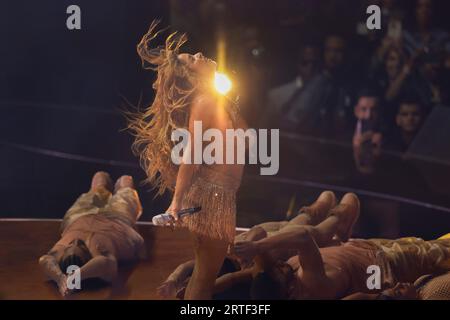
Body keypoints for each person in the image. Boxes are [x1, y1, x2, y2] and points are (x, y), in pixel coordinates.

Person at [128, 21, 246, 300]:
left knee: (204, 276)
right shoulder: (205, 102)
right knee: (205, 279)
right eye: (192, 59)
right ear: (192, 77)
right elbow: (191, 156)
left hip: (215, 196)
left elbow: (242, 133)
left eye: (193, 54)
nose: (199, 56)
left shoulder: (213, 99)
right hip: (211, 199)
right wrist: (176, 203)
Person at [232, 193, 450, 300]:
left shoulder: (282, 279)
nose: (279, 265)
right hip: (390, 264)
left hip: (367, 249)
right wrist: (258, 246)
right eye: (279, 272)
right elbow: (304, 238)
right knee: (441, 253)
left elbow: (238, 277)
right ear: (288, 292)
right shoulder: (309, 286)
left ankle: (337, 220)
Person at [157, 191, 352, 299]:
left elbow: (189, 268)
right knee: (316, 224)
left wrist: (173, 281)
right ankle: (332, 211)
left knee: (314, 221)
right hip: (277, 240)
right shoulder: (253, 270)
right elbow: (232, 278)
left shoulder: (226, 254)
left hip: (274, 236)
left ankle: (329, 211)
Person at [38, 172, 144, 297]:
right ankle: (122, 185)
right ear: (86, 258)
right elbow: (106, 264)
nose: (75, 243)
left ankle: (105, 185)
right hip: (118, 218)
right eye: (78, 248)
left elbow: (44, 260)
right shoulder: (99, 251)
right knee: (126, 182)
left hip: (80, 215)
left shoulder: (60, 250)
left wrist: (61, 278)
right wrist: (76, 276)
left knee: (100, 177)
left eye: (70, 247)